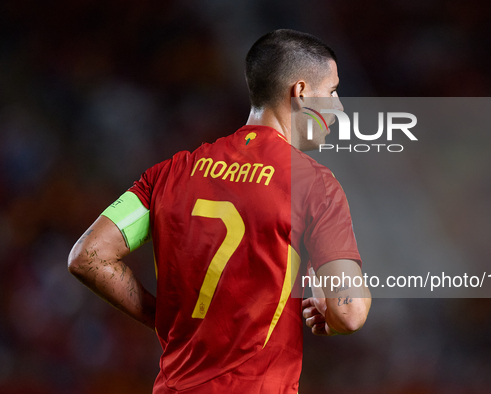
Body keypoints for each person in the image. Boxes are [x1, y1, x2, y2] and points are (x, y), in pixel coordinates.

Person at [68, 29, 371, 393]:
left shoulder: (170, 172)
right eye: (333, 92)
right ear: (301, 92)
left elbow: (88, 256)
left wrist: (163, 320)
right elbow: (349, 311)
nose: (338, 107)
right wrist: (334, 313)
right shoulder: (314, 184)